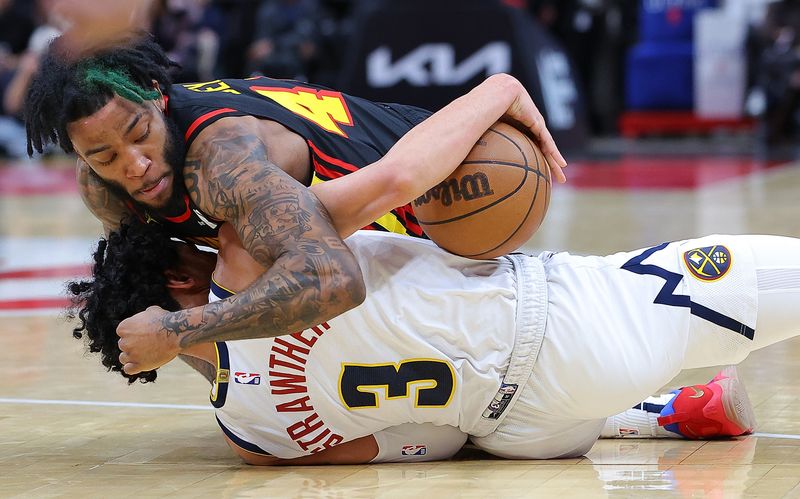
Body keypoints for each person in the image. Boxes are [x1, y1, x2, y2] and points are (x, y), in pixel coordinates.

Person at [23, 32, 567, 375]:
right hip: (361, 208)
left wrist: (176, 334)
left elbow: (333, 278)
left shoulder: (224, 161)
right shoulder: (103, 187)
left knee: (248, 254)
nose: (133, 165)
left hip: (451, 173)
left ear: (159, 100)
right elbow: (166, 290)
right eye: (103, 155)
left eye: (140, 133)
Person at [69, 215, 778, 463]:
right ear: (176, 270)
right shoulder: (252, 247)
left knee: (476, 426)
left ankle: (664, 411)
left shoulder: (248, 437)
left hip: (533, 433)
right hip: (569, 315)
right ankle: (650, 399)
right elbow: (399, 173)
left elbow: (429, 442)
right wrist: (499, 90)